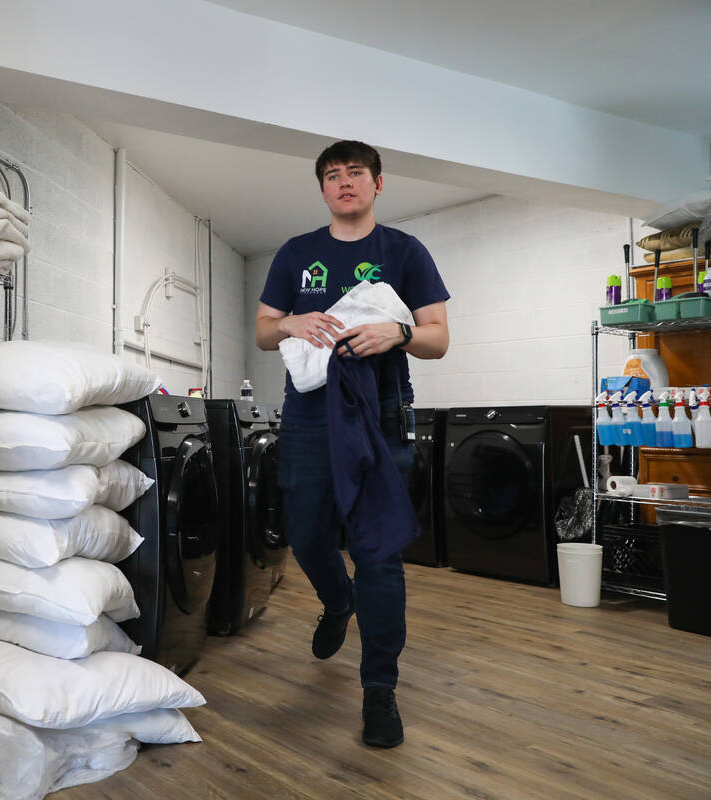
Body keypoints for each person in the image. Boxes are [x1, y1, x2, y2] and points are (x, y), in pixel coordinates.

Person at [254, 140, 450, 748]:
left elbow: (439, 338)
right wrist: (290, 322)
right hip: (309, 419)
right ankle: (337, 602)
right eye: (333, 176)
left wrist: (399, 331)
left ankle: (380, 689)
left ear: (377, 184)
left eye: (355, 174)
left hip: (381, 416)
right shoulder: (296, 254)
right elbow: (263, 330)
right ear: (323, 190)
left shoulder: (405, 251)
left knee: (378, 551)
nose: (344, 183)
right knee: (307, 534)